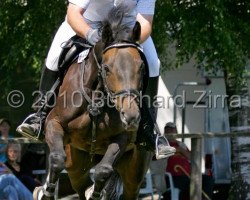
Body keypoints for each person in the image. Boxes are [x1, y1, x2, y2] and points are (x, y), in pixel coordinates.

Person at [17, 0, 172, 158]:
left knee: (153, 63)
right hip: (87, 25)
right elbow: (73, 14)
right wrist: (91, 34)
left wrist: (129, 41)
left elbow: (145, 22)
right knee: (54, 58)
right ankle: (39, 116)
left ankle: (149, 129)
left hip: (127, 31)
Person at [163, 122, 214, 200]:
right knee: (189, 184)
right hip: (173, 177)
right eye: (169, 130)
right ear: (165, 132)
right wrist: (180, 151)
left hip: (188, 175)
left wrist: (180, 149)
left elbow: (191, 157)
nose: (172, 132)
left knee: (208, 180)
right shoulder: (162, 144)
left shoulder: (181, 145)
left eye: (174, 130)